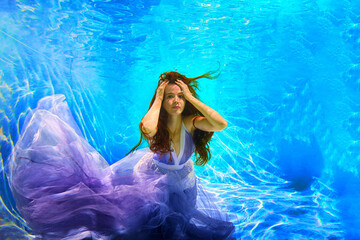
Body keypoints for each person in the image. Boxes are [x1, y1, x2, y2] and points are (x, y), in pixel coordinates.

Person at [6, 71, 235, 239]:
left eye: (180, 97)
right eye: (170, 97)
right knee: (146, 227)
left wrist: (190, 97)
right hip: (155, 181)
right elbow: (147, 129)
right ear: (162, 101)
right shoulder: (157, 121)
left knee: (180, 224)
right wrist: (157, 98)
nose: (176, 101)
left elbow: (220, 123)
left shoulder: (191, 122)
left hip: (184, 182)